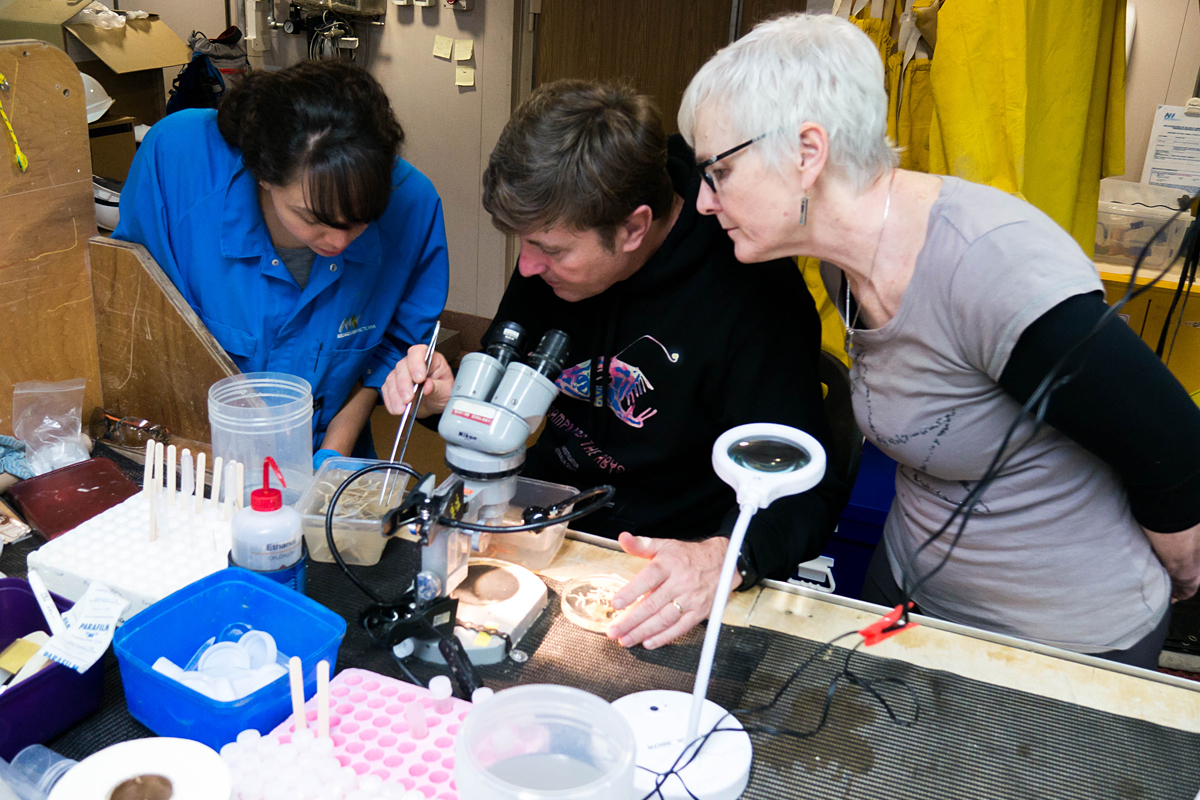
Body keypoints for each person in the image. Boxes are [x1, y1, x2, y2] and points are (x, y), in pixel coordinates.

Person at [675, 13, 1200, 669]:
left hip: (1062, 636)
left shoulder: (989, 264)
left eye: (716, 171)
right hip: (914, 594)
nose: (702, 201)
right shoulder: (842, 264)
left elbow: (1173, 446)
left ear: (808, 154)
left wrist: (1178, 580)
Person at [384, 80, 849, 649]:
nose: (526, 268)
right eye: (522, 244)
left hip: (662, 571)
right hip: (540, 537)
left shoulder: (750, 297)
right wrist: (444, 404)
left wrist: (725, 560)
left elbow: (807, 492)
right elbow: (509, 404)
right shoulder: (555, 247)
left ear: (633, 227)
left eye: (549, 250)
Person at [114, 60, 449, 462]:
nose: (339, 241)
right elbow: (134, 311)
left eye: (362, 221)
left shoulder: (412, 205)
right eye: (312, 218)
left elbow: (386, 359)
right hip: (188, 454)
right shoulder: (179, 163)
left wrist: (326, 466)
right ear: (263, 173)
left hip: (322, 451)